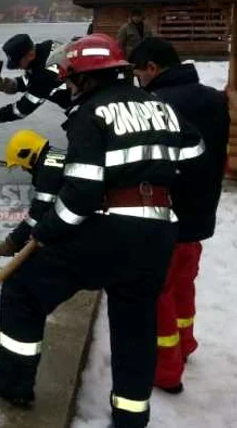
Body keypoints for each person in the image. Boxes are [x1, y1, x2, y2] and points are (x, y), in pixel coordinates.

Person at [0, 34, 206, 428]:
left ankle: (12, 381)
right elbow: (195, 151)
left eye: (71, 79)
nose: (68, 86)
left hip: (108, 229)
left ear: (85, 78)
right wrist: (151, 169)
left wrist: (45, 234)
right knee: (135, 326)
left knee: (24, 289)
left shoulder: (91, 113)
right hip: (157, 234)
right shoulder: (160, 106)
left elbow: (81, 196)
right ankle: (130, 416)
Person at [128, 37, 229, 394]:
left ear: (153, 68)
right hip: (200, 215)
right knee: (184, 285)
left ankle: (166, 370)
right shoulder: (214, 98)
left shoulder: (156, 103)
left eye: (139, 74)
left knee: (159, 293)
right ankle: (185, 344)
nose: (139, 80)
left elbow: (148, 163)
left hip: (165, 217)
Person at [0, 129, 66, 257]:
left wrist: (12, 242)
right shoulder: (55, 155)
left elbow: (37, 214)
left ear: (26, 154)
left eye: (22, 165)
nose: (23, 169)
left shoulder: (48, 171)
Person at [0, 34, 71, 124]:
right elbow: (32, 80)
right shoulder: (45, 48)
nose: (17, 67)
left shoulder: (45, 73)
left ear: (30, 55)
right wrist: (6, 85)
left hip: (82, 105)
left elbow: (23, 109)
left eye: (18, 63)